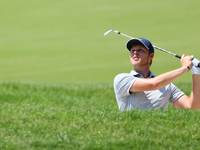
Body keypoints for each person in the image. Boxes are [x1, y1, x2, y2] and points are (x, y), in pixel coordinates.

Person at [113, 38, 200, 110]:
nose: (135, 53)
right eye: (132, 50)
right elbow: (154, 84)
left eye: (140, 50)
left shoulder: (167, 85)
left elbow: (192, 107)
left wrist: (196, 71)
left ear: (151, 56)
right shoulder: (121, 79)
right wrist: (185, 68)